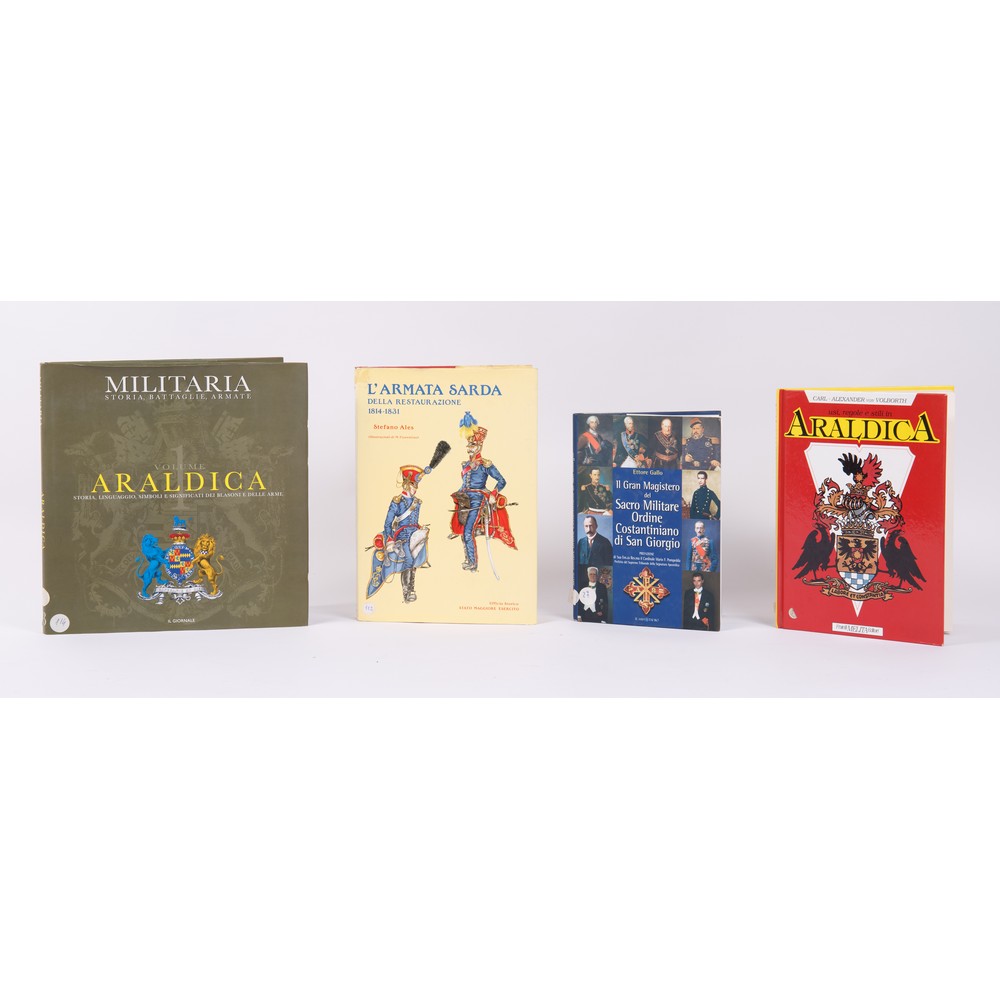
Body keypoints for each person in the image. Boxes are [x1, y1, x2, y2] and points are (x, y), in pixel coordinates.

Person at [370, 464, 430, 602]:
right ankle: (407, 592)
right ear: (407, 485)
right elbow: (387, 523)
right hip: (402, 536)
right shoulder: (397, 501)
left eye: (416, 486)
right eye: (414, 486)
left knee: (417, 558)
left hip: (415, 533)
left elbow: (414, 522)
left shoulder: (417, 502)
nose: (416, 489)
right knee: (409, 559)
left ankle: (410, 588)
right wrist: (390, 539)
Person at [453, 425, 506, 572]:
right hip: (464, 499)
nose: (469, 448)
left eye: (472, 445)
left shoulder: (485, 464)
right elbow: (464, 484)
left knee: (467, 532)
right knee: (462, 532)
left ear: (479, 446)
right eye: (469, 445)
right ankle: (468, 559)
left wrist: (493, 494)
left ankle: (473, 563)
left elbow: (502, 481)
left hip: (477, 500)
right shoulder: (465, 465)